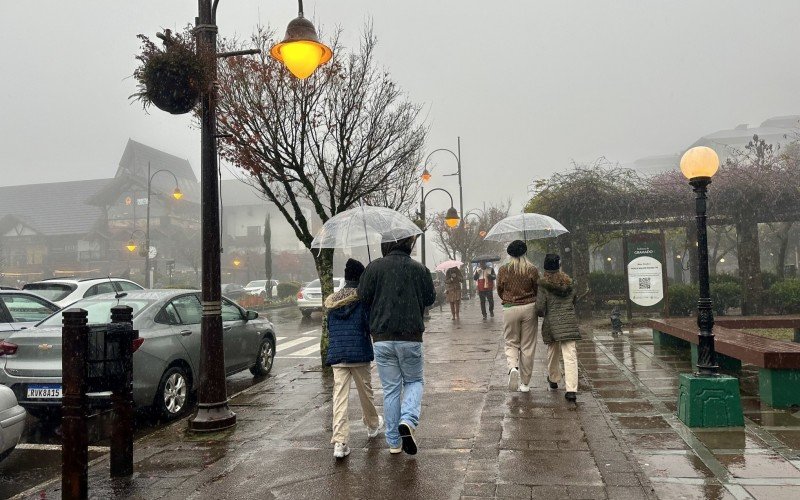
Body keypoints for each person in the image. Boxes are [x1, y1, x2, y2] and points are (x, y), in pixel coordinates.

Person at [358, 236, 436, 455]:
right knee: (414, 380)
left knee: (391, 389)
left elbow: (362, 297)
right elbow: (431, 298)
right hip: (410, 336)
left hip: (382, 337)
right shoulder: (419, 269)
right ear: (409, 245)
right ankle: (408, 420)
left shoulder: (374, 268)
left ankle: (394, 442)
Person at [325, 258, 384, 459]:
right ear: (361, 277)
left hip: (339, 355)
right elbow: (369, 326)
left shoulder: (333, 301)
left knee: (339, 398)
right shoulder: (363, 299)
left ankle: (340, 442)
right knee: (365, 393)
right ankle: (372, 425)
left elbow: (329, 328)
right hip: (359, 353)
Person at [536, 254, 582, 402]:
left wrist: (543, 312)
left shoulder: (543, 285)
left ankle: (554, 379)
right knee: (570, 356)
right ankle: (571, 390)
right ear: (559, 267)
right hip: (569, 322)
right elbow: (574, 300)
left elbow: (540, 308)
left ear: (545, 268)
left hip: (552, 323)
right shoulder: (570, 283)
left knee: (552, 352)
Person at [496, 240, 540, 392]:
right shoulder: (532, 269)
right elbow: (537, 288)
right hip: (529, 308)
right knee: (528, 346)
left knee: (511, 342)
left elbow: (499, 290)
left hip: (510, 308)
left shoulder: (503, 269)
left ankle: (512, 367)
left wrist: (508, 298)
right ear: (524, 252)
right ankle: (525, 384)